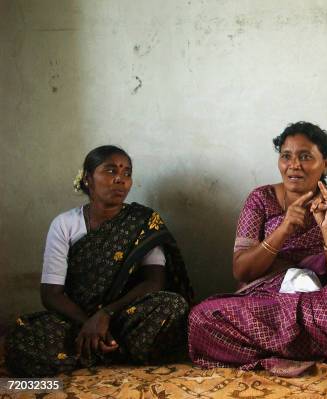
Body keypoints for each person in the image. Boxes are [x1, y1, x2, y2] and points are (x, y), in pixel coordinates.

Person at [188, 122, 327, 376]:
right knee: (202, 319)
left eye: (305, 156)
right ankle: (326, 349)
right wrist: (284, 228)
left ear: (325, 163)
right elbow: (242, 271)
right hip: (266, 306)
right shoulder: (261, 199)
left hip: (320, 302)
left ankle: (287, 348)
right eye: (286, 156)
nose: (294, 165)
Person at [6, 145, 193, 377]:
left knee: (173, 305)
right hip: (76, 319)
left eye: (127, 173)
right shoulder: (64, 224)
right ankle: (113, 349)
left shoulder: (143, 221)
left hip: (125, 315)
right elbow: (51, 294)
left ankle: (95, 349)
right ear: (87, 179)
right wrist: (90, 323)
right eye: (110, 170)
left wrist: (106, 314)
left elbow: (154, 281)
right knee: (21, 337)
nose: (120, 179)